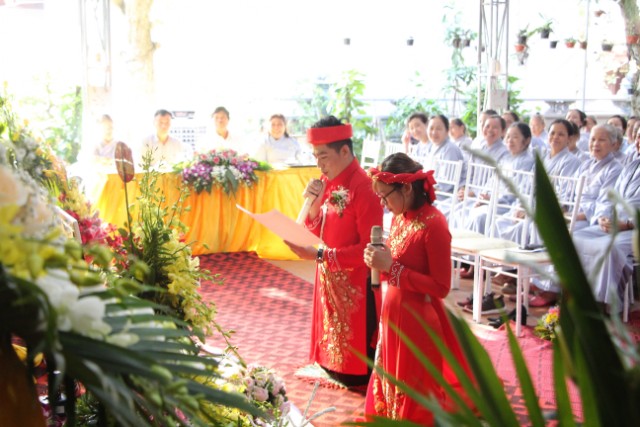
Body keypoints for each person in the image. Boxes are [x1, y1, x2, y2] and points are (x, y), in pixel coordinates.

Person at [363, 153, 473, 424]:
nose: (383, 204)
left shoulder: (435, 224)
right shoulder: (400, 217)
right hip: (393, 311)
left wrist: (392, 268)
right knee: (390, 382)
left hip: (418, 321)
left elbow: (441, 286)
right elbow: (397, 265)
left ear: (406, 188)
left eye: (385, 196)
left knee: (414, 393)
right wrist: (379, 262)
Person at [284, 116, 383, 386]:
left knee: (351, 367)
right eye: (316, 156)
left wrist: (320, 255)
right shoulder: (326, 181)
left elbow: (370, 249)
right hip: (329, 273)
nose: (319, 164)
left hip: (354, 279)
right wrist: (314, 205)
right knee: (330, 349)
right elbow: (319, 230)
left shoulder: (365, 187)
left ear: (345, 151)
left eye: (324, 156)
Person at [425, 114, 466, 219]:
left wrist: (426, 187)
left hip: (446, 196)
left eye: (438, 129)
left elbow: (446, 184)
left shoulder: (450, 149)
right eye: (431, 128)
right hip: (433, 191)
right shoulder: (432, 147)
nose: (434, 132)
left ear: (447, 131)